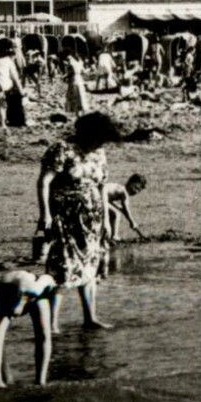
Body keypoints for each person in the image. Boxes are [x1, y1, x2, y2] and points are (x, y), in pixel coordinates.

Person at [37, 112, 123, 332]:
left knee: (90, 267)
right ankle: (52, 325)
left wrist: (105, 220)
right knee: (60, 269)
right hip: (65, 220)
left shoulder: (99, 154)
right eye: (99, 138)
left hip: (92, 222)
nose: (101, 143)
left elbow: (102, 188)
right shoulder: (62, 149)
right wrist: (45, 214)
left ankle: (90, 318)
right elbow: (44, 182)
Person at [0, 270, 55, 389]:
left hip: (33, 287)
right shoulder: (3, 292)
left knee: (44, 335)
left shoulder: (36, 290)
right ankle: (1, 379)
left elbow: (48, 281)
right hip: (11, 286)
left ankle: (40, 381)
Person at [101, 174, 148, 277]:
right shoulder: (124, 192)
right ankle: (115, 236)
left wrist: (120, 209)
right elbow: (126, 209)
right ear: (130, 183)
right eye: (136, 188)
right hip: (100, 195)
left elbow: (117, 205)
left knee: (115, 213)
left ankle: (111, 236)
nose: (136, 192)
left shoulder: (119, 189)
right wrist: (132, 222)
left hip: (100, 194)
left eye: (139, 191)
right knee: (115, 214)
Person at [0, 39, 27, 128]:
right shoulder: (9, 62)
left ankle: (2, 123)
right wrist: (21, 91)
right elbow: (15, 78)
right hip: (4, 85)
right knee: (7, 103)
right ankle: (12, 120)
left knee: (0, 105)